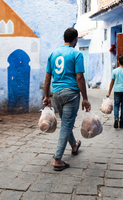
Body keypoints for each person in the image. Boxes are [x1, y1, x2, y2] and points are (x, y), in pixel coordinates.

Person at [43, 27, 91, 171]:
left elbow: (47, 78)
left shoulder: (53, 54)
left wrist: (46, 96)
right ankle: (58, 159)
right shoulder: (77, 54)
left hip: (57, 93)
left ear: (64, 38)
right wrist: (85, 98)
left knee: (66, 123)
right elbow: (80, 78)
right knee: (66, 124)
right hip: (71, 94)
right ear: (75, 39)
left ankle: (74, 146)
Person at [106, 55, 123, 128]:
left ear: (118, 62)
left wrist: (109, 92)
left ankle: (116, 118)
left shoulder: (114, 71)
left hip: (117, 90)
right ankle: (121, 122)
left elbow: (112, 82)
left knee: (116, 105)